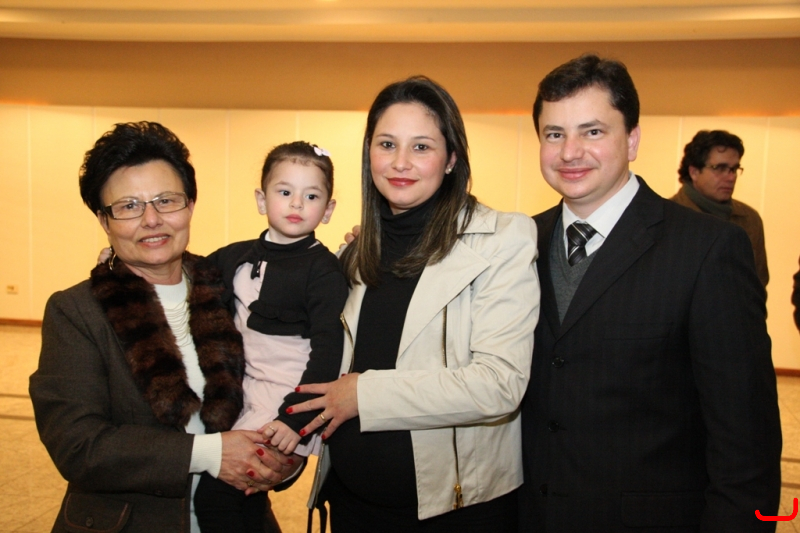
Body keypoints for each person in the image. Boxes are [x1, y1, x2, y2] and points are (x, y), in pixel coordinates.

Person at [519, 54, 781, 532]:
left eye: (592, 131)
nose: (570, 152)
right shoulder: (517, 244)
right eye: (554, 134)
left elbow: (746, 438)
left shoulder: (707, 249)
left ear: (632, 140)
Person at [287, 76, 540, 532]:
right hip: (352, 506)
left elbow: (499, 384)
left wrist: (363, 394)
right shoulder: (352, 254)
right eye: (387, 144)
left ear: (452, 159)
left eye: (421, 147)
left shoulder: (503, 239)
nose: (400, 162)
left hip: (458, 514)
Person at [29, 121, 295, 533]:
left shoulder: (231, 291)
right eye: (129, 206)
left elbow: (281, 378)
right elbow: (78, 445)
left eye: (166, 201)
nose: (151, 220)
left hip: (239, 520)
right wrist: (209, 453)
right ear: (104, 220)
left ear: (190, 205)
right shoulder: (77, 312)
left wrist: (285, 458)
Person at [194, 141, 348, 531]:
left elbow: (329, 350)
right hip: (243, 390)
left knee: (218, 495)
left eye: (311, 196)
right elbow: (185, 271)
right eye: (284, 192)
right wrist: (118, 261)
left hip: (286, 400)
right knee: (239, 496)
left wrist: (295, 419)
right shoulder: (236, 255)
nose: (297, 204)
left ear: (328, 209)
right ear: (262, 200)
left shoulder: (324, 272)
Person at [671, 129, 769, 288]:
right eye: (719, 168)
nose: (731, 177)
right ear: (694, 172)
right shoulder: (667, 217)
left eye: (734, 169)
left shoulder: (749, 219)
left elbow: (758, 283)